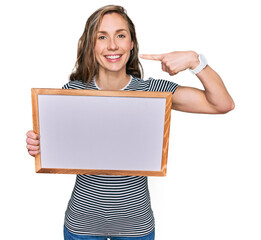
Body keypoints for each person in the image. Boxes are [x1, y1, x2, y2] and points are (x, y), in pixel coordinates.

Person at [26, 5, 235, 240]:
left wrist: (195, 62)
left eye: (121, 35)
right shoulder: (73, 92)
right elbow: (58, 147)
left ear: (131, 44)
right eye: (102, 36)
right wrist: (40, 145)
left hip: (136, 227)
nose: (112, 45)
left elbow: (222, 104)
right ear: (90, 45)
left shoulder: (153, 92)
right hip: (81, 224)